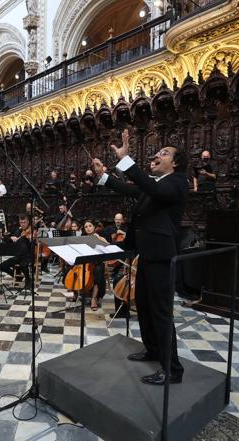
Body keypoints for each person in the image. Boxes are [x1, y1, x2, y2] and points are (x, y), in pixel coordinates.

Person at [93, 129, 188, 386]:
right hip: (145, 255)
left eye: (164, 153)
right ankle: (153, 350)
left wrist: (126, 160)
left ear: (175, 163)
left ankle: (173, 369)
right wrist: (104, 177)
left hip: (161, 257)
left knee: (160, 312)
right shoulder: (153, 185)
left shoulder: (177, 182)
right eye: (157, 152)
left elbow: (146, 187)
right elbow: (129, 188)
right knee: (144, 307)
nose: (157, 155)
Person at [0, 215, 33, 289]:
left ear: (28, 222)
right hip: (18, 256)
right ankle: (17, 275)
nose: (23, 224)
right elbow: (8, 240)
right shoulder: (18, 231)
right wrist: (11, 237)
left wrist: (31, 238)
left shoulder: (31, 231)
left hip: (28, 256)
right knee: (1, 266)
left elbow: (34, 244)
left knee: (23, 265)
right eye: (21, 222)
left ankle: (28, 279)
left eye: (24, 222)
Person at [80, 220, 108, 311]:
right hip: (86, 262)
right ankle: (77, 292)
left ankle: (94, 298)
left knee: (98, 271)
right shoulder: (83, 238)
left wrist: (99, 238)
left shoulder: (99, 237)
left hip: (98, 262)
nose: (88, 228)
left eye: (90, 226)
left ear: (94, 227)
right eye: (86, 227)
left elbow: (108, 246)